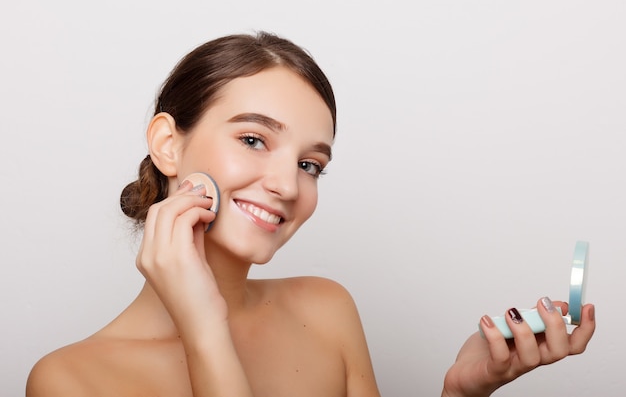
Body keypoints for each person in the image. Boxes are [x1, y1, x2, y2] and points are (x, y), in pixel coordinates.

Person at [25, 31, 595, 397]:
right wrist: (204, 327)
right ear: (168, 144)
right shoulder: (69, 381)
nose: (285, 184)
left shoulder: (326, 310)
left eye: (310, 164)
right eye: (252, 139)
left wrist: (460, 392)